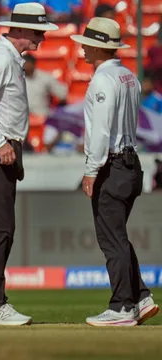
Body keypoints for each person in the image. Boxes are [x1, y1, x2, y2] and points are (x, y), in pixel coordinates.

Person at [0, 2, 58, 326]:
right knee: (1, 228)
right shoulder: (3, 56)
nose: (42, 37)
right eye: (38, 31)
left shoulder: (8, 56)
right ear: (20, 30)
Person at [70, 17, 160, 326]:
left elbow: (102, 131)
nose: (82, 49)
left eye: (87, 45)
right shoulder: (129, 76)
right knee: (118, 235)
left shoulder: (102, 80)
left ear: (97, 48)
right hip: (131, 162)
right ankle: (140, 296)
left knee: (111, 239)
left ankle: (122, 306)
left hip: (113, 165)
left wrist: (91, 170)